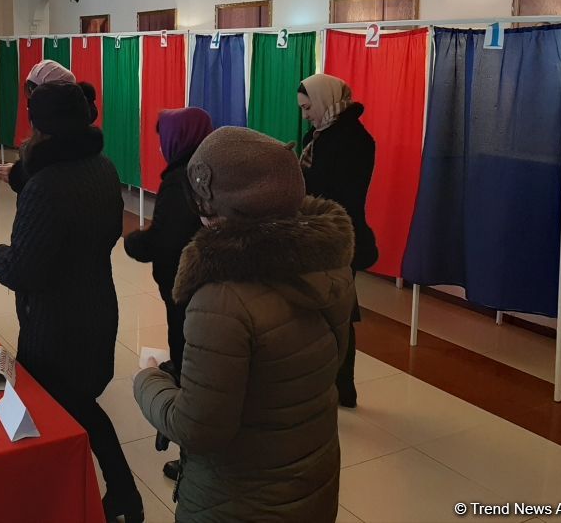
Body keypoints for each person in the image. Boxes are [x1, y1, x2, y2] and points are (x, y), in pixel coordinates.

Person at [133, 127, 356, 523]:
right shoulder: (329, 264)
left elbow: (199, 428)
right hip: (312, 482)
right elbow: (327, 366)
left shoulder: (221, 299)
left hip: (239, 500)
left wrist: (148, 381)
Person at [0, 82, 143, 523]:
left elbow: (24, 270)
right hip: (97, 301)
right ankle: (117, 494)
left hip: (56, 321)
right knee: (80, 402)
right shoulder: (103, 166)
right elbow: (108, 231)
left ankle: (113, 495)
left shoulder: (46, 185)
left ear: (41, 126)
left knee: (64, 406)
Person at [123, 107, 213, 481]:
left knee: (193, 369)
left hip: (184, 286)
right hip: (205, 284)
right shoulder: (208, 169)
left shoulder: (181, 180)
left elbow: (167, 240)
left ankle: (192, 459)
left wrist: (134, 241)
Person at [298, 73, 378, 408]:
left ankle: (342, 387)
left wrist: (297, 173)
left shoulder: (353, 140)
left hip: (339, 237)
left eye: (307, 107)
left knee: (338, 314)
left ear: (323, 100)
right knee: (332, 310)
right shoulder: (322, 133)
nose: (305, 115)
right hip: (321, 234)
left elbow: (340, 193)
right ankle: (331, 385)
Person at [0, 60, 80, 191]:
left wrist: (19, 176)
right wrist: (18, 172)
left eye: (37, 94)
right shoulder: (47, 146)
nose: (31, 104)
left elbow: (47, 189)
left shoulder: (65, 156)